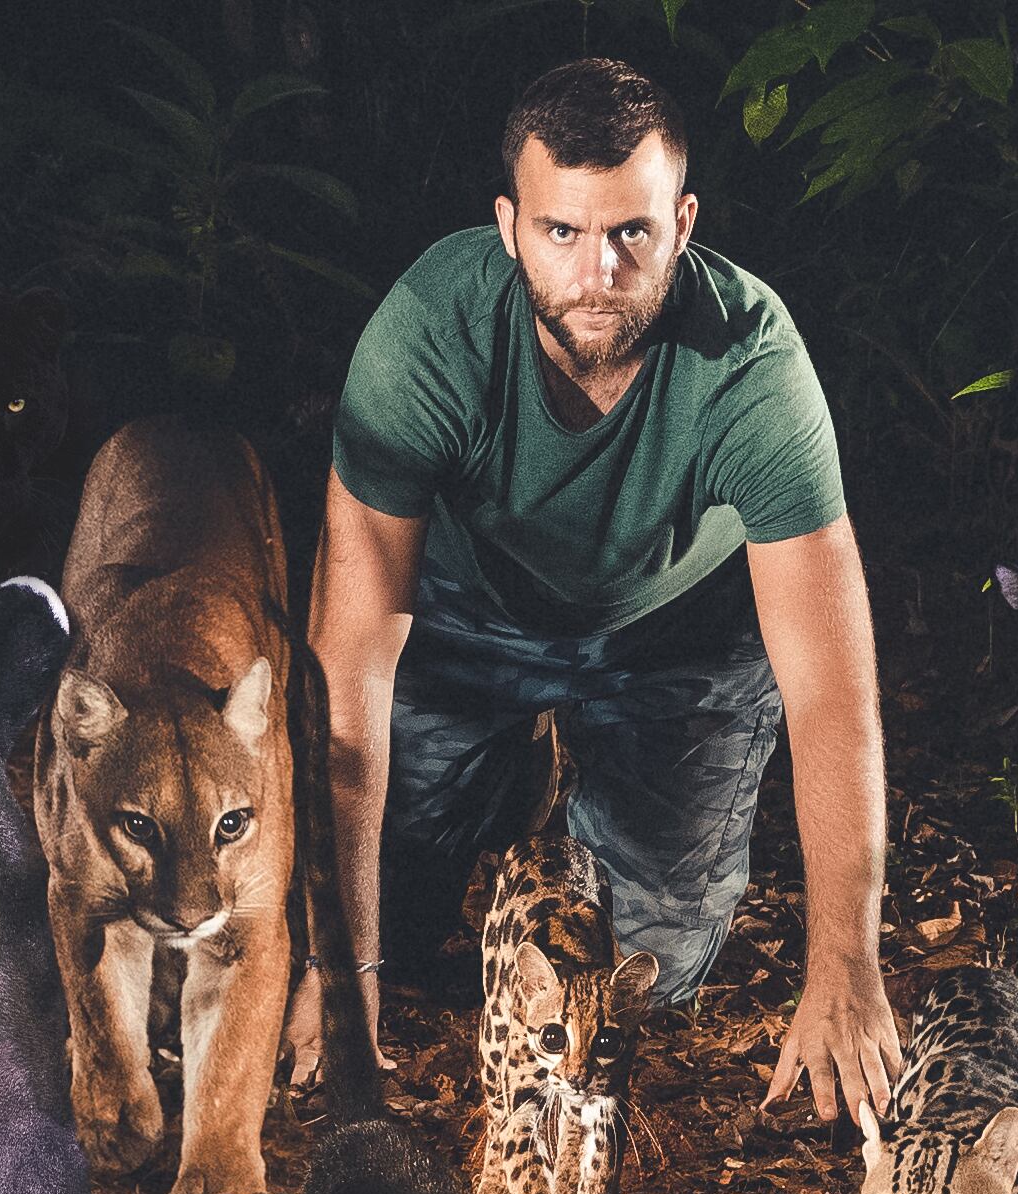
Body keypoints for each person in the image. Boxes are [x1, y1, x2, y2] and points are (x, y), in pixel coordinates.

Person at [287, 57, 899, 1122]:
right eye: (560, 232)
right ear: (508, 225)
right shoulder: (427, 333)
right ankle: (507, 764)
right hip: (466, 623)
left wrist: (846, 962)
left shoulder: (751, 366)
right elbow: (348, 666)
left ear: (683, 223)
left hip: (675, 637)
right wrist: (344, 976)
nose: (596, 270)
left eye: (631, 233)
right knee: (391, 912)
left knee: (647, 974)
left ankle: (596, 779)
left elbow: (831, 696)